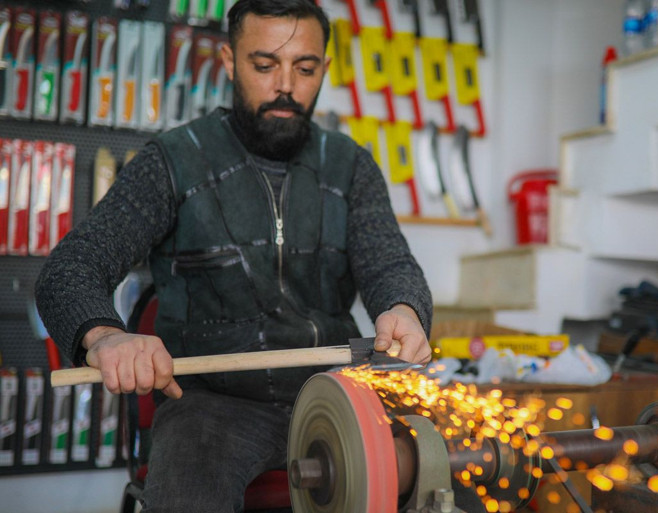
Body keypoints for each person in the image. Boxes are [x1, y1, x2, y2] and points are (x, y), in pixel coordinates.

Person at [35, 0, 432, 510]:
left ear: (325, 68)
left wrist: (404, 308)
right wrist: (106, 336)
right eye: (264, 65)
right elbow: (70, 269)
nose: (285, 85)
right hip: (210, 408)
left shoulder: (351, 167)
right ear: (228, 61)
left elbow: (391, 266)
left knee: (437, 469)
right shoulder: (173, 161)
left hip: (336, 391)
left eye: (305, 68)